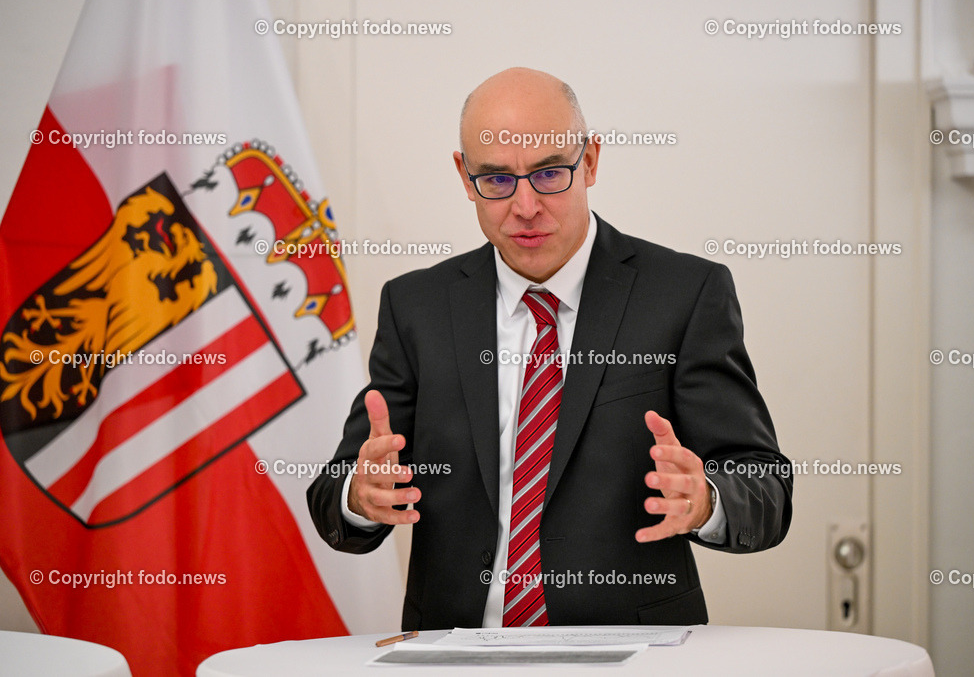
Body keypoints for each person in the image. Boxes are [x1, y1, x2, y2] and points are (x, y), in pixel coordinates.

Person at [308, 67, 792, 630]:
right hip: (456, 654)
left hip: (631, 655)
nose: (525, 206)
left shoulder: (685, 295)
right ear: (465, 176)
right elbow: (332, 494)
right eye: (497, 179)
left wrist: (706, 499)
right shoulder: (415, 306)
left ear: (590, 161)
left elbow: (766, 488)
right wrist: (360, 495)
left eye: (549, 173)